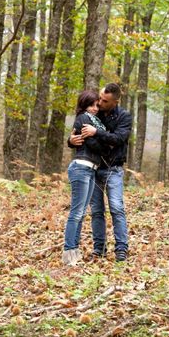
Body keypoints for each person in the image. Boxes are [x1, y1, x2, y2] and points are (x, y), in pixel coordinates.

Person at [69, 83, 132, 262]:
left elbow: (119, 139)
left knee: (117, 208)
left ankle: (121, 249)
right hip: (93, 168)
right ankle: (99, 249)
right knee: (96, 211)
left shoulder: (124, 116)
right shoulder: (94, 113)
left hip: (114, 168)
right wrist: (71, 140)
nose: (100, 103)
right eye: (100, 98)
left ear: (115, 102)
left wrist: (96, 132)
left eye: (104, 101)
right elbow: (78, 130)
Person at [63, 90, 108, 266]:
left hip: (91, 170)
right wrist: (105, 145)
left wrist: (98, 136)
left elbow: (96, 140)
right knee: (76, 213)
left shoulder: (96, 122)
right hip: (81, 167)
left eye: (97, 105)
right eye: (91, 105)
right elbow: (92, 144)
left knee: (81, 214)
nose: (95, 108)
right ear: (84, 105)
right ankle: (69, 252)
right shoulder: (83, 118)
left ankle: (74, 250)